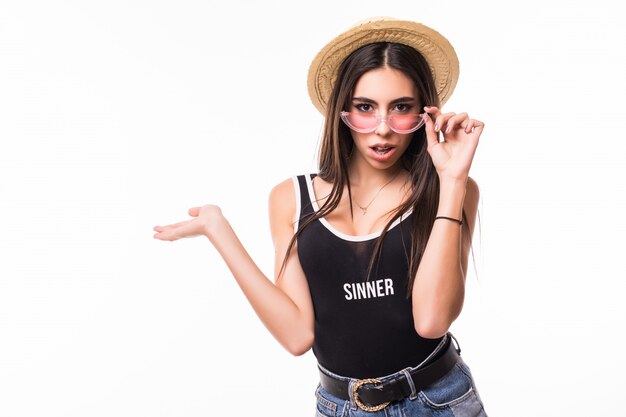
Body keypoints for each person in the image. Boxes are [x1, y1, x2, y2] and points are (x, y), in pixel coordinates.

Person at [153, 17, 487, 416]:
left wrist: (451, 182)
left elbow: (431, 321)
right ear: (342, 111)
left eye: (401, 108)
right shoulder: (293, 199)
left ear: (423, 113)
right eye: (365, 108)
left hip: (438, 401)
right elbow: (296, 335)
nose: (382, 130)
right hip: (340, 406)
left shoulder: (451, 190)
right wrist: (218, 230)